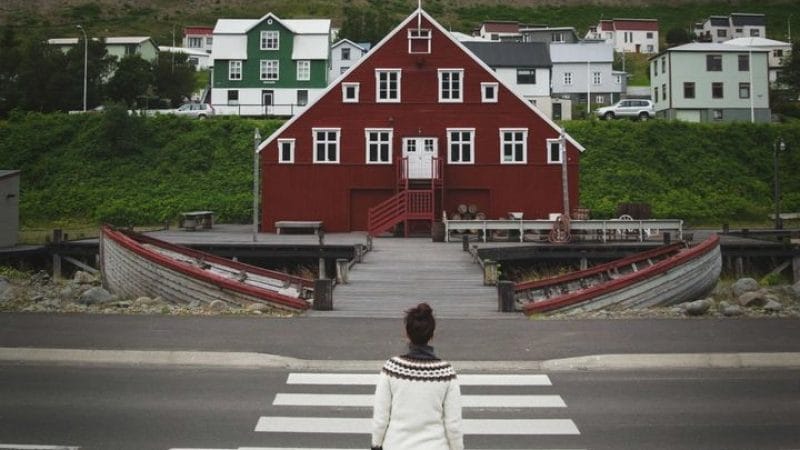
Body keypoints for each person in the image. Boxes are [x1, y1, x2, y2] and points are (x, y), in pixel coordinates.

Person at [371, 303, 464, 450]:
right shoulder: (446, 373)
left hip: (396, 444)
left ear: (407, 334)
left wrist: (376, 445)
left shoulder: (391, 368)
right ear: (432, 335)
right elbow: (453, 425)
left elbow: (380, 419)